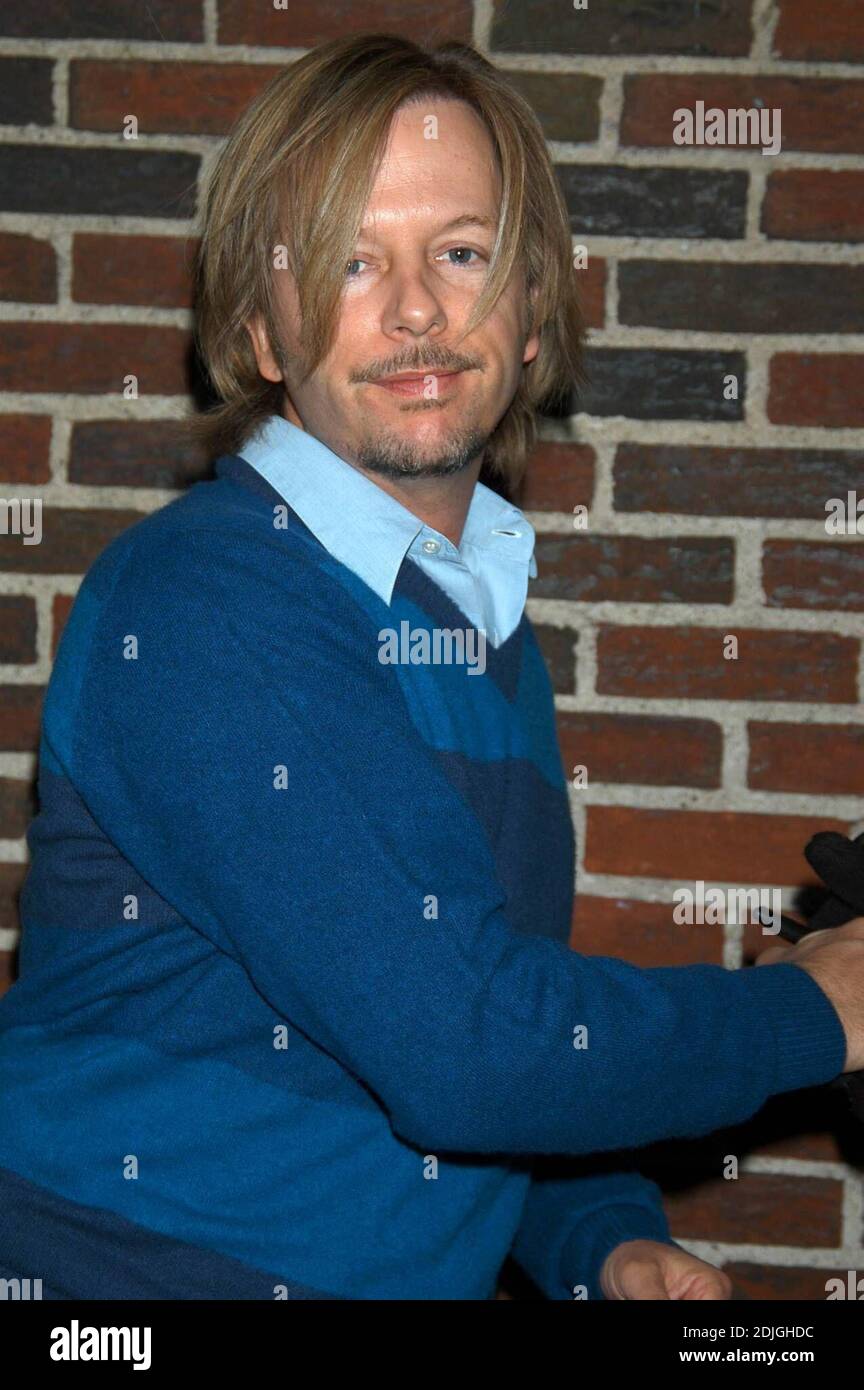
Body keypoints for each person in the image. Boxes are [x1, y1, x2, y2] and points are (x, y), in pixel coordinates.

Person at [1, 33, 863, 1303]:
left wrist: (602, 1240)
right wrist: (820, 1009)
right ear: (263, 329)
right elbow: (464, 1045)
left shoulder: (479, 633)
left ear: (527, 316)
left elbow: (458, 1026)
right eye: (350, 260)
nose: (415, 308)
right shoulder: (212, 596)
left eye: (461, 254)